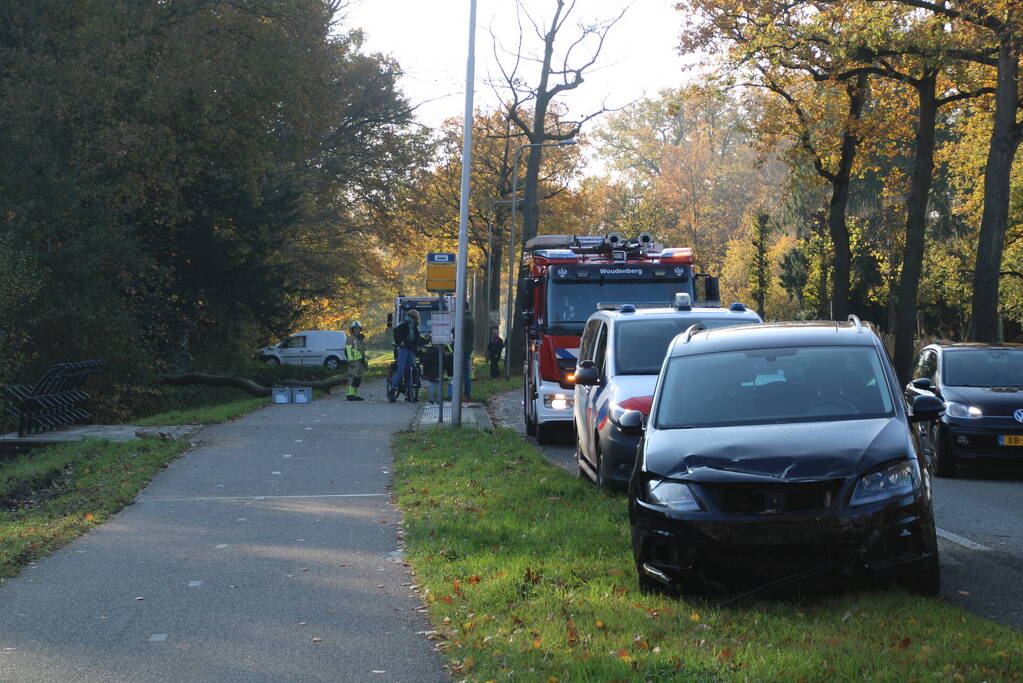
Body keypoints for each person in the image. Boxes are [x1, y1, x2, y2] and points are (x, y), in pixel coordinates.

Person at [389, 309, 426, 401]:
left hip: (410, 349)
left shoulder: (414, 327)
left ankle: (408, 392)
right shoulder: (405, 325)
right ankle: (392, 388)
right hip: (404, 349)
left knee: (409, 370)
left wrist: (427, 341)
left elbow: (417, 338)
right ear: (415, 317)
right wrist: (401, 342)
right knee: (401, 369)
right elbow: (397, 333)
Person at [345, 321, 367, 401]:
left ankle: (355, 394)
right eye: (355, 329)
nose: (356, 330)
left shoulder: (361, 340)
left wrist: (365, 361)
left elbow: (364, 351)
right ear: (352, 330)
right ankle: (350, 394)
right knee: (352, 377)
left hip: (360, 361)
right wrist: (350, 360)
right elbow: (348, 349)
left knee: (358, 378)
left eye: (358, 329)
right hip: (354, 361)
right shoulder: (350, 338)